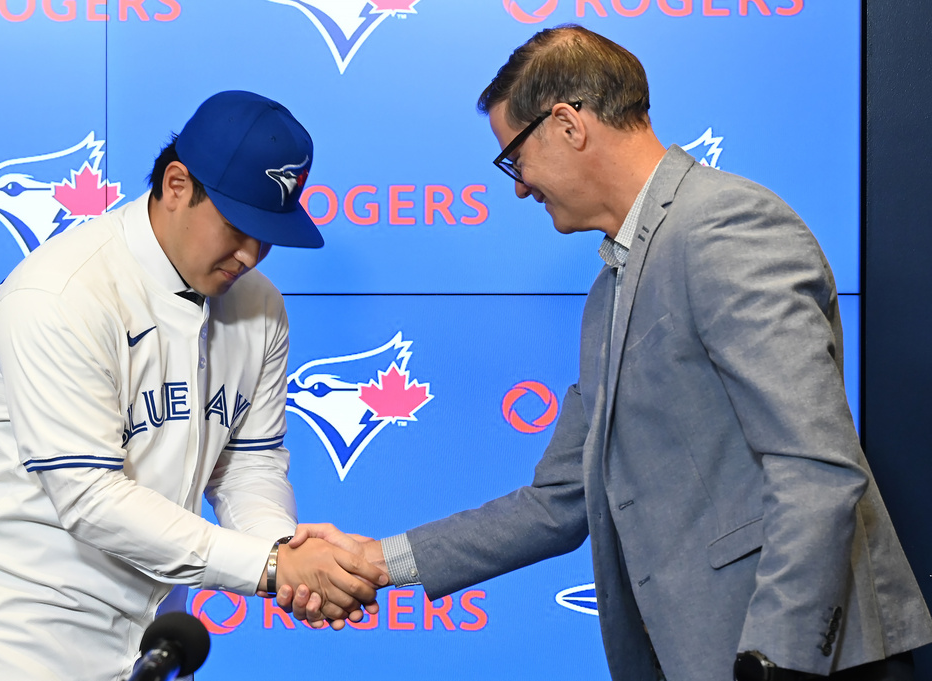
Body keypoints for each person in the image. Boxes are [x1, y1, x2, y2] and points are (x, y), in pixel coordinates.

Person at [281, 26, 932, 681]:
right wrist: (377, 559)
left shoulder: (725, 227)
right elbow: (557, 500)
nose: (517, 186)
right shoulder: (609, 291)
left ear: (567, 124)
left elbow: (817, 470)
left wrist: (778, 663)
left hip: (800, 664)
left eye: (513, 157)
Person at [0, 90, 386, 681]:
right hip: (17, 634)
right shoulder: (60, 293)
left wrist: (283, 549)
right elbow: (89, 496)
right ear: (176, 185)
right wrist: (269, 566)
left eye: (268, 232)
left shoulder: (261, 306)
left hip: (157, 638)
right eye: (238, 223)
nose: (251, 253)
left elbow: (248, 468)